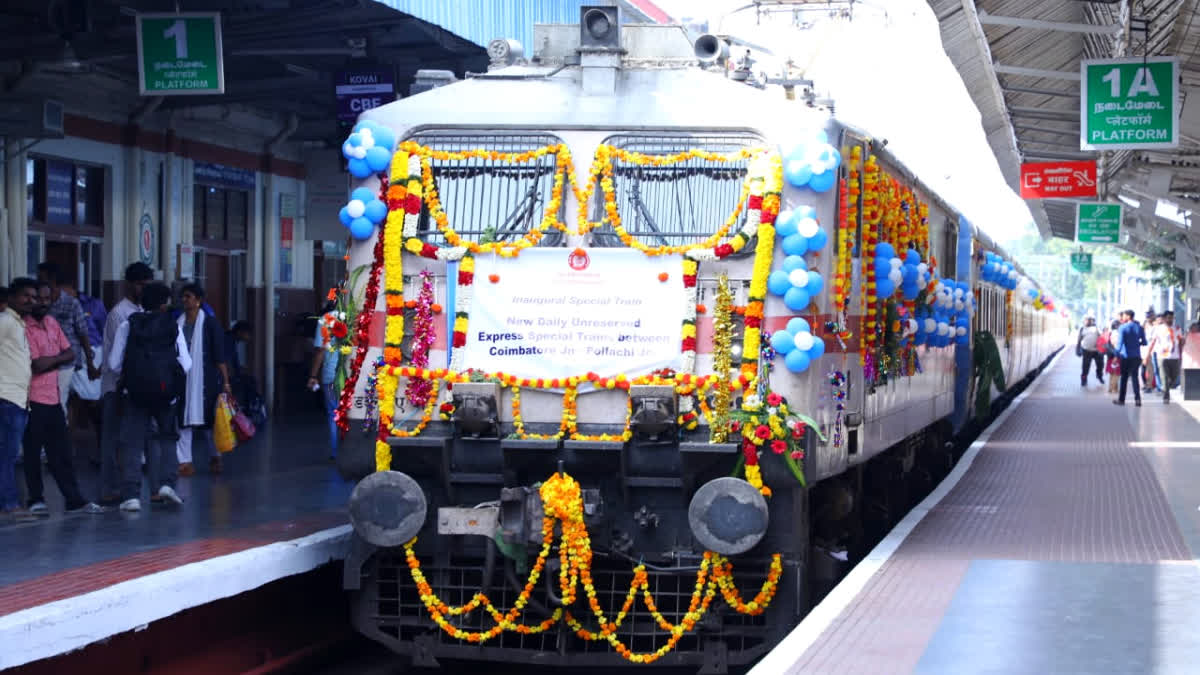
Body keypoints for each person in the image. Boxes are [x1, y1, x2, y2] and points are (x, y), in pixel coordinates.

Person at [18, 280, 104, 515]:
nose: (43, 303)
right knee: (33, 452)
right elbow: (37, 364)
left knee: (62, 453)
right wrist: (58, 358)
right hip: (31, 398)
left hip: (54, 398)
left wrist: (53, 359)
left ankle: (73, 499)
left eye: (47, 299)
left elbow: (71, 353)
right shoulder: (23, 328)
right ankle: (36, 499)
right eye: (38, 299)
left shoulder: (52, 323)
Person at [108, 282, 191, 511]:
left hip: (135, 393)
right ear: (165, 303)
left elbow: (114, 364)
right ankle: (166, 484)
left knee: (133, 444)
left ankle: (132, 496)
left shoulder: (128, 325)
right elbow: (186, 363)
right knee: (167, 438)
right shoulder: (172, 326)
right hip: (166, 393)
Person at [98, 262, 154, 505]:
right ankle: (109, 487)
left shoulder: (147, 311)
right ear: (130, 284)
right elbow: (114, 359)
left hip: (137, 386)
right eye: (141, 284)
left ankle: (144, 486)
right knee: (111, 438)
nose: (144, 288)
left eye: (147, 284)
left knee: (139, 437)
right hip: (116, 386)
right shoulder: (119, 313)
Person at [175, 284, 231, 476]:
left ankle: (215, 456)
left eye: (188, 296)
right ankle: (184, 462)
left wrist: (225, 381)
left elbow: (219, 355)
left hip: (205, 381)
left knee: (208, 422)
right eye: (183, 297)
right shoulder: (178, 323)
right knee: (183, 420)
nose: (185, 300)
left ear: (198, 300)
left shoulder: (210, 324)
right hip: (183, 379)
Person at [36, 263, 100, 420]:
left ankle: (57, 437)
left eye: (40, 277)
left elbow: (83, 333)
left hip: (66, 361)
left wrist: (90, 364)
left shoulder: (71, 303)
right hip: (42, 361)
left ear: (51, 279)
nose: (37, 280)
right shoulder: (38, 302)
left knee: (58, 400)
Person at [0, 282, 32, 518]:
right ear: (11, 298)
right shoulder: (6, 322)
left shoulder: (17, 323)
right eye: (25, 296)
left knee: (8, 455)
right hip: (7, 398)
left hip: (17, 399)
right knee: (7, 455)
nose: (30, 300)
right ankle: (9, 504)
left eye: (32, 296)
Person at [307, 301, 340, 459]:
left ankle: (336, 453)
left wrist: (313, 376)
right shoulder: (354, 316)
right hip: (351, 374)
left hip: (330, 374)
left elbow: (320, 351)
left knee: (333, 414)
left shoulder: (325, 320)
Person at [1146, 310, 1184, 403]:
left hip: (1174, 357)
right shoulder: (1158, 329)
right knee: (1164, 377)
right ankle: (1166, 395)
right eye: (1168, 318)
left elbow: (1180, 342)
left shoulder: (1177, 328)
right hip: (1162, 357)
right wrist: (1147, 355)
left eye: (1171, 318)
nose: (1170, 320)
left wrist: (1181, 354)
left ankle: (1167, 388)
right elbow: (1153, 342)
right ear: (1164, 319)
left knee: (1175, 377)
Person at [1114, 309, 1147, 407]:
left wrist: (1116, 355)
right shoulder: (1139, 327)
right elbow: (1144, 342)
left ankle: (1121, 400)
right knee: (1135, 378)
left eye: (1123, 315)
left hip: (1125, 356)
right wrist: (1136, 344)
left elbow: (1119, 344)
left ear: (1128, 316)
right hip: (1136, 356)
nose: (1122, 317)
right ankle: (1137, 400)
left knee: (1124, 378)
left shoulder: (1122, 328)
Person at [1077, 316, 1103, 386]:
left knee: (1100, 365)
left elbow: (1102, 337)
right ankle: (1083, 379)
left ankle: (1099, 375)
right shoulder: (1082, 329)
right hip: (1086, 350)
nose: (1087, 322)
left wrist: (1102, 348)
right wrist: (1078, 349)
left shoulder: (1097, 328)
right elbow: (1079, 340)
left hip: (1097, 351)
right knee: (1085, 367)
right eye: (1086, 320)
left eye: (1089, 320)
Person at [1102, 320, 1121, 394]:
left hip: (1110, 356)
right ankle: (1113, 388)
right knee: (1116, 373)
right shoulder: (1117, 333)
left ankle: (1113, 388)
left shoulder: (1111, 333)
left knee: (1112, 372)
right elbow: (1116, 345)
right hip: (1115, 355)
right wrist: (1116, 356)